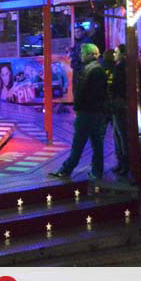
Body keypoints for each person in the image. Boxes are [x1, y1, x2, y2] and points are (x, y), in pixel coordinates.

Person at [50, 43, 109, 182]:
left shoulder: (93, 70)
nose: (81, 56)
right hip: (94, 112)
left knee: (78, 143)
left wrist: (79, 107)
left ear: (90, 55)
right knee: (96, 143)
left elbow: (89, 93)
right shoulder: (95, 69)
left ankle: (66, 170)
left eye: (83, 53)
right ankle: (97, 172)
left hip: (87, 112)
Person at [104, 51, 130, 178]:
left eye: (117, 52)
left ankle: (124, 163)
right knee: (119, 134)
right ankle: (123, 163)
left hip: (117, 104)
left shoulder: (119, 68)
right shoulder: (122, 67)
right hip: (119, 104)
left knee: (120, 134)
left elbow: (114, 86)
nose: (115, 54)